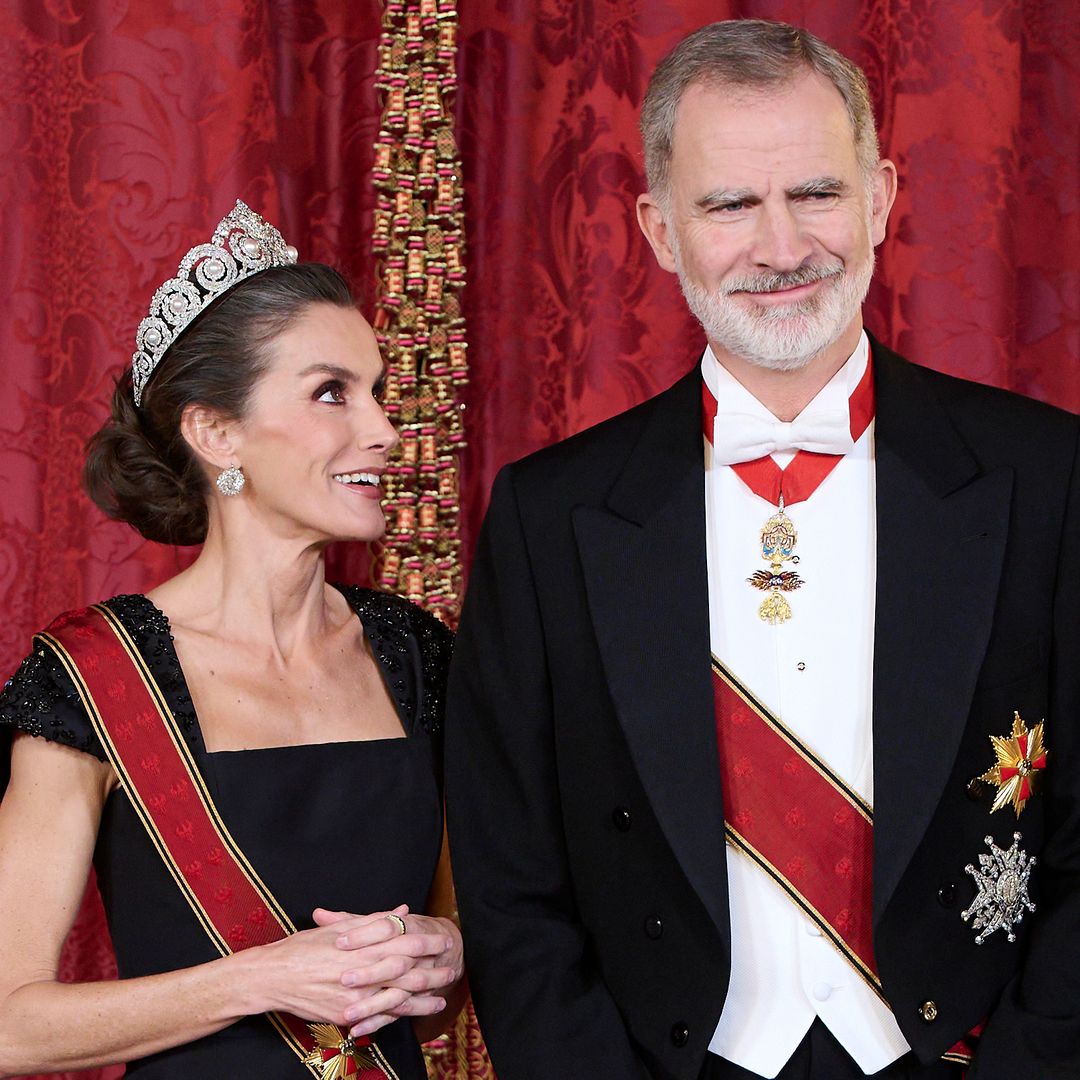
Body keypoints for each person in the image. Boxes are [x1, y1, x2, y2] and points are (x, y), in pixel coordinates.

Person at [445, 19, 1079, 1080]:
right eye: (730, 204)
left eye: (817, 194)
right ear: (658, 228)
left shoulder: (1049, 479)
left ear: (880, 195)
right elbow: (511, 884)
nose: (783, 248)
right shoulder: (549, 516)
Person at [0, 200, 466, 1079]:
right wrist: (259, 979)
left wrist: (446, 950)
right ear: (217, 433)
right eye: (332, 393)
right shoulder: (90, 678)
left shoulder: (412, 654)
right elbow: (8, 1025)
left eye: (376, 392)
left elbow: (444, 996)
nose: (384, 431)